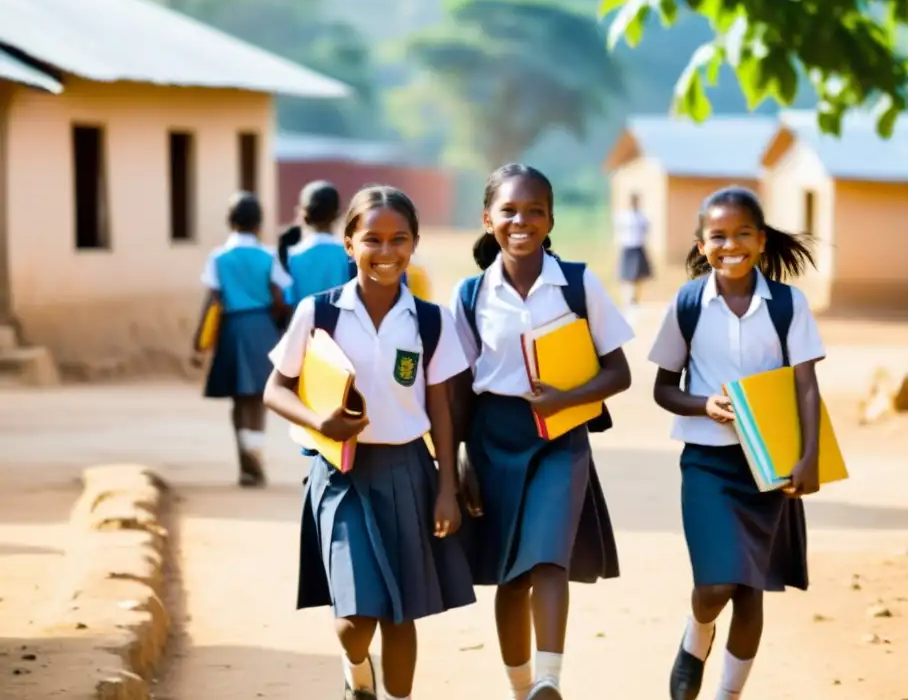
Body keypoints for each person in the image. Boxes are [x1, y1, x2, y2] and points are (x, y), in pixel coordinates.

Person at [263, 185, 475, 700]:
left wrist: (449, 486)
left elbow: (442, 411)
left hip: (408, 473)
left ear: (415, 242)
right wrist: (320, 421)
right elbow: (276, 389)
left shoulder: (430, 321)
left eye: (398, 240)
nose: (386, 252)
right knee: (356, 619)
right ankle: (356, 668)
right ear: (349, 244)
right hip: (341, 476)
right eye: (372, 240)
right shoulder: (320, 313)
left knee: (402, 613)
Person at [449, 164, 634, 700]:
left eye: (534, 211)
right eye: (508, 211)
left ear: (551, 219)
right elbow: (460, 387)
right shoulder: (470, 294)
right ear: (488, 219)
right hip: (492, 440)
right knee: (511, 575)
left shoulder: (576, 283)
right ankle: (522, 688)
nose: (521, 221)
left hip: (561, 436)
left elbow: (617, 372)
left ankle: (549, 682)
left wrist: (566, 399)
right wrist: (457, 458)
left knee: (549, 556)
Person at [646, 185, 824, 700]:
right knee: (716, 585)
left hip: (769, 464)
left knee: (750, 594)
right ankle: (697, 631)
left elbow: (805, 385)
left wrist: (808, 456)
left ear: (761, 240)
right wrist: (704, 405)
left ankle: (727, 694)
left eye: (743, 234)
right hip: (707, 464)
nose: (731, 245)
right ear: (702, 245)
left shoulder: (788, 304)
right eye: (718, 236)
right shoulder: (687, 304)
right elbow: (662, 389)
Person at [191, 191, 292, 487]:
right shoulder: (269, 255)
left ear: (229, 221)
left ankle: (245, 465)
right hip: (262, 328)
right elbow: (279, 295)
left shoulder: (218, 257)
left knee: (238, 401)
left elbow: (213, 300)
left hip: (231, 328)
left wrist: (200, 341)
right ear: (259, 223)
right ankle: (255, 456)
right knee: (260, 398)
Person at [285, 180, 351, 303]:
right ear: (338, 214)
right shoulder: (347, 255)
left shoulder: (293, 256)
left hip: (305, 321)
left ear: (303, 215)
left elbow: (290, 301)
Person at [614, 192, 653, 323]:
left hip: (638, 247)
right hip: (627, 247)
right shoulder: (623, 217)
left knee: (638, 276)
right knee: (626, 276)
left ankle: (635, 300)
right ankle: (627, 300)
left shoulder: (642, 217)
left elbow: (647, 229)